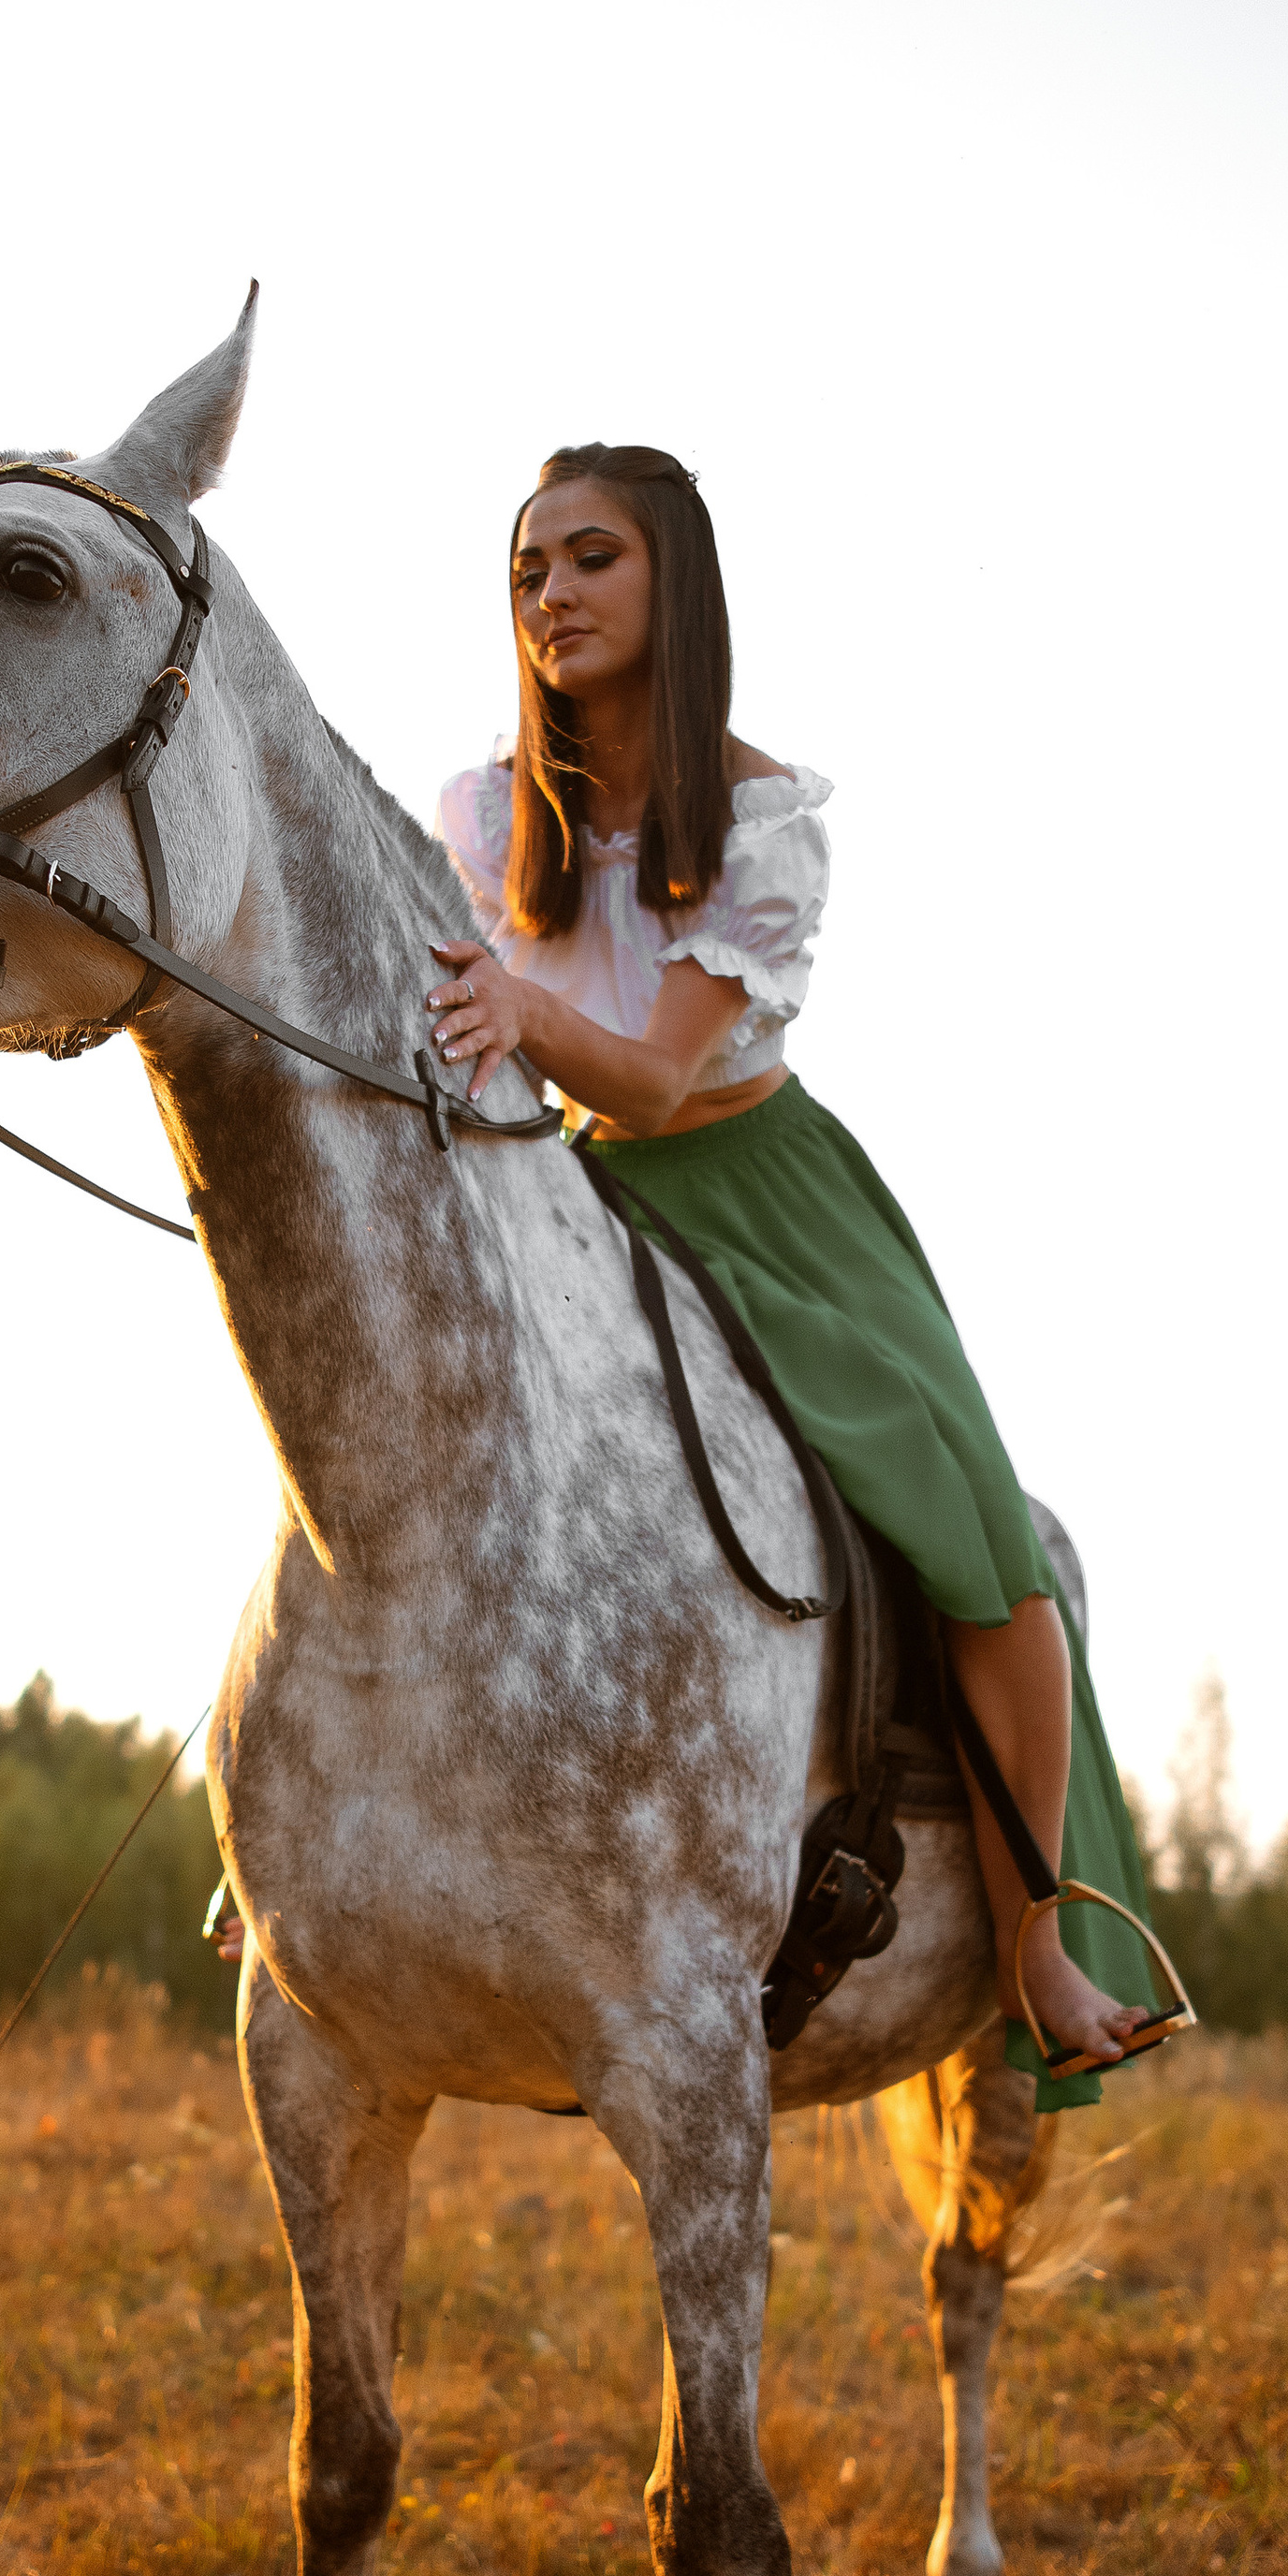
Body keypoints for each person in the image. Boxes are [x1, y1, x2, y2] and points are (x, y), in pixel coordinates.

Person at [415, 442, 1175, 2100]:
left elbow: (657, 1079)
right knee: (390, 1416)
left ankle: (1039, 1941)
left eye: (592, 558)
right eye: (529, 569)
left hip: (761, 1192)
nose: (552, 594)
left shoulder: (763, 825)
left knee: (983, 1549)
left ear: (673, 584)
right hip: (568, 1194)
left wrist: (523, 1009)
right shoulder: (483, 813)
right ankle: (305, 1844)